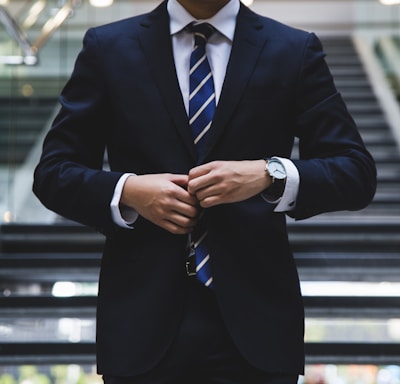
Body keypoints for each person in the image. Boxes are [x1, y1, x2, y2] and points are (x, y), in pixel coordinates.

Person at [33, 0, 377, 383]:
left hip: (257, 326)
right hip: (140, 322)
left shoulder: (293, 49)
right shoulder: (108, 46)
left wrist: (269, 173)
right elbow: (53, 173)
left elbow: (355, 172)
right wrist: (128, 190)